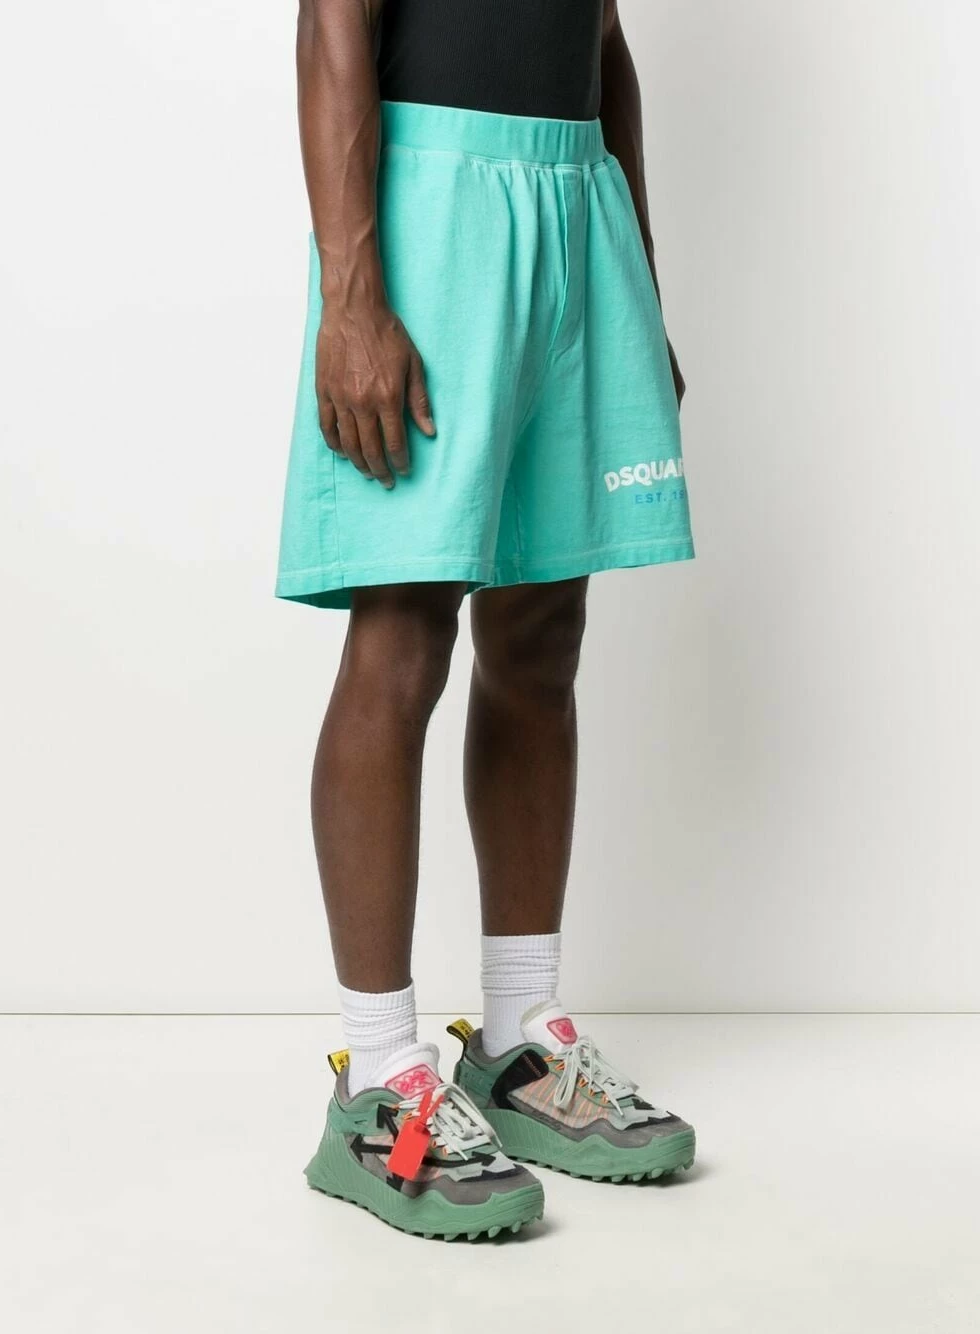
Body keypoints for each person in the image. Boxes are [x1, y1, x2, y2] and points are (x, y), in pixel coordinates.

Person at [277, 0, 696, 1240]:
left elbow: (601, 41)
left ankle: (516, 1039)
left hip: (574, 206)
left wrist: (637, 277)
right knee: (403, 635)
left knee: (540, 635)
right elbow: (331, 25)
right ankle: (376, 1078)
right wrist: (351, 296)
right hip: (433, 211)